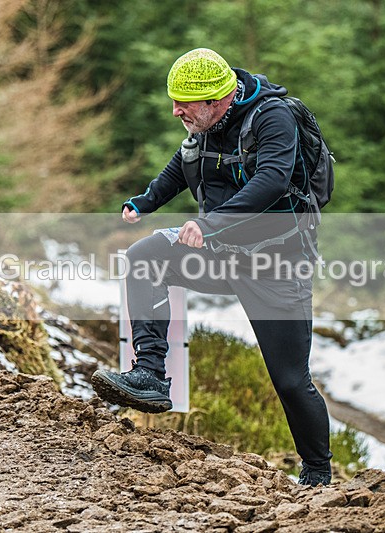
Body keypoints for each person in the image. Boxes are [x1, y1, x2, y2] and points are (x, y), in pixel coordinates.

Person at [91, 48, 333, 487]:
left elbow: (272, 180)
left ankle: (317, 472)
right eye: (173, 99)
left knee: (291, 381)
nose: (175, 110)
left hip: (274, 264)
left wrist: (210, 224)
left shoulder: (272, 118)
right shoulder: (204, 124)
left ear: (218, 100)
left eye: (184, 103)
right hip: (221, 254)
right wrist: (145, 202)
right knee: (145, 257)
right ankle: (149, 373)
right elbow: (181, 167)